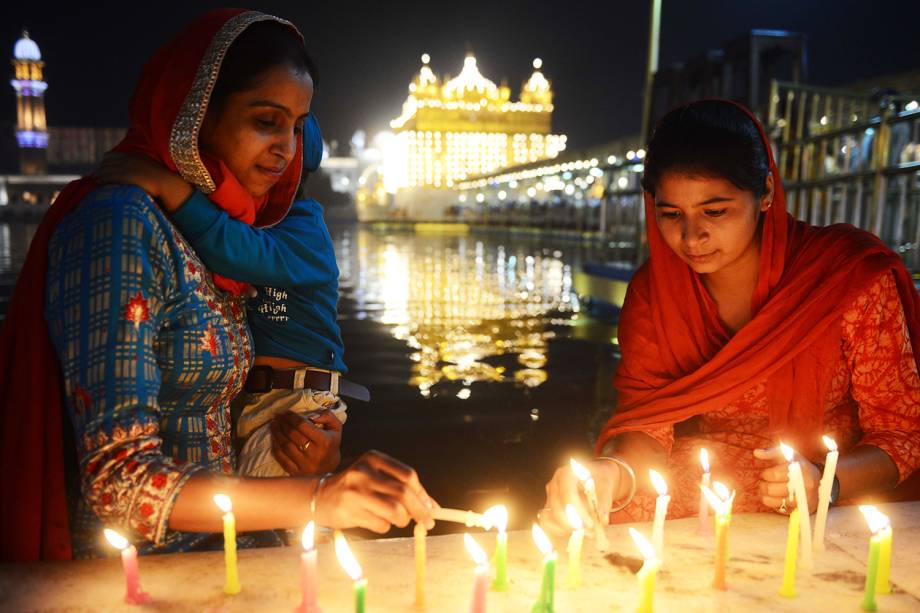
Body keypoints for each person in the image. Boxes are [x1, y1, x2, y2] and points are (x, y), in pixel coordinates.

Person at [0, 9, 434, 562]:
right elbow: (120, 484)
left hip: (226, 560)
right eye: (265, 121)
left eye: (296, 127)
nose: (286, 149)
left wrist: (309, 452)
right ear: (197, 114)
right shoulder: (122, 222)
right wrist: (317, 497)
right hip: (140, 580)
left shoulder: (225, 230)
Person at [541, 100, 920, 535]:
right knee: (597, 519)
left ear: (766, 194)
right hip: (710, 474)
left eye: (715, 211)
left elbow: (904, 432)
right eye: (671, 215)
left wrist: (825, 481)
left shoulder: (844, 276)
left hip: (834, 480)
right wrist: (612, 474)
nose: (691, 236)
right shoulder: (656, 292)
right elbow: (648, 426)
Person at [97, 106, 357, 480]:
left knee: (275, 527)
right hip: (266, 404)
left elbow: (237, 251)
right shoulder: (248, 222)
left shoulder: (304, 228)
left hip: (294, 406)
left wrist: (172, 189)